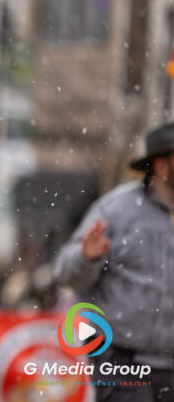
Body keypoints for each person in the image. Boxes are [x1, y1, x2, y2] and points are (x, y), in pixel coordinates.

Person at [54, 121, 174, 402]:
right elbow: (65, 274)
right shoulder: (115, 210)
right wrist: (87, 258)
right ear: (161, 166)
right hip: (121, 358)